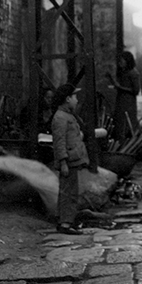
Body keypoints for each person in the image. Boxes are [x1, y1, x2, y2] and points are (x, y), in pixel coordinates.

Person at [50, 83, 89, 234]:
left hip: (72, 160)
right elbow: (59, 143)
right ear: (67, 99)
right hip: (69, 161)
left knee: (68, 191)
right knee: (69, 193)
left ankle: (63, 221)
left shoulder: (66, 116)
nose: (77, 100)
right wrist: (63, 162)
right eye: (74, 97)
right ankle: (65, 224)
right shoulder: (61, 118)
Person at [106, 51, 140, 141]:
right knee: (120, 122)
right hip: (121, 101)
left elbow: (136, 91)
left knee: (128, 123)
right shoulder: (124, 73)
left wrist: (120, 87)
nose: (120, 63)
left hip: (129, 103)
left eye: (122, 61)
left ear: (128, 61)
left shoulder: (133, 73)